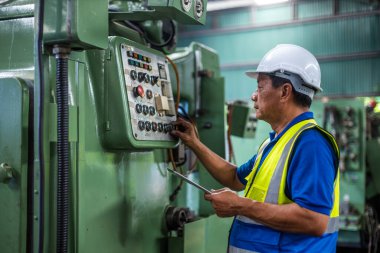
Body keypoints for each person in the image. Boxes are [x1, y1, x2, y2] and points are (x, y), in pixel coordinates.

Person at [171, 44, 340, 253]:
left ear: (285, 91)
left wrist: (239, 205)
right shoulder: (275, 143)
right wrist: (194, 143)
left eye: (260, 87)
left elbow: (314, 220)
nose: (253, 95)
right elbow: (234, 177)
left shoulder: (310, 144)